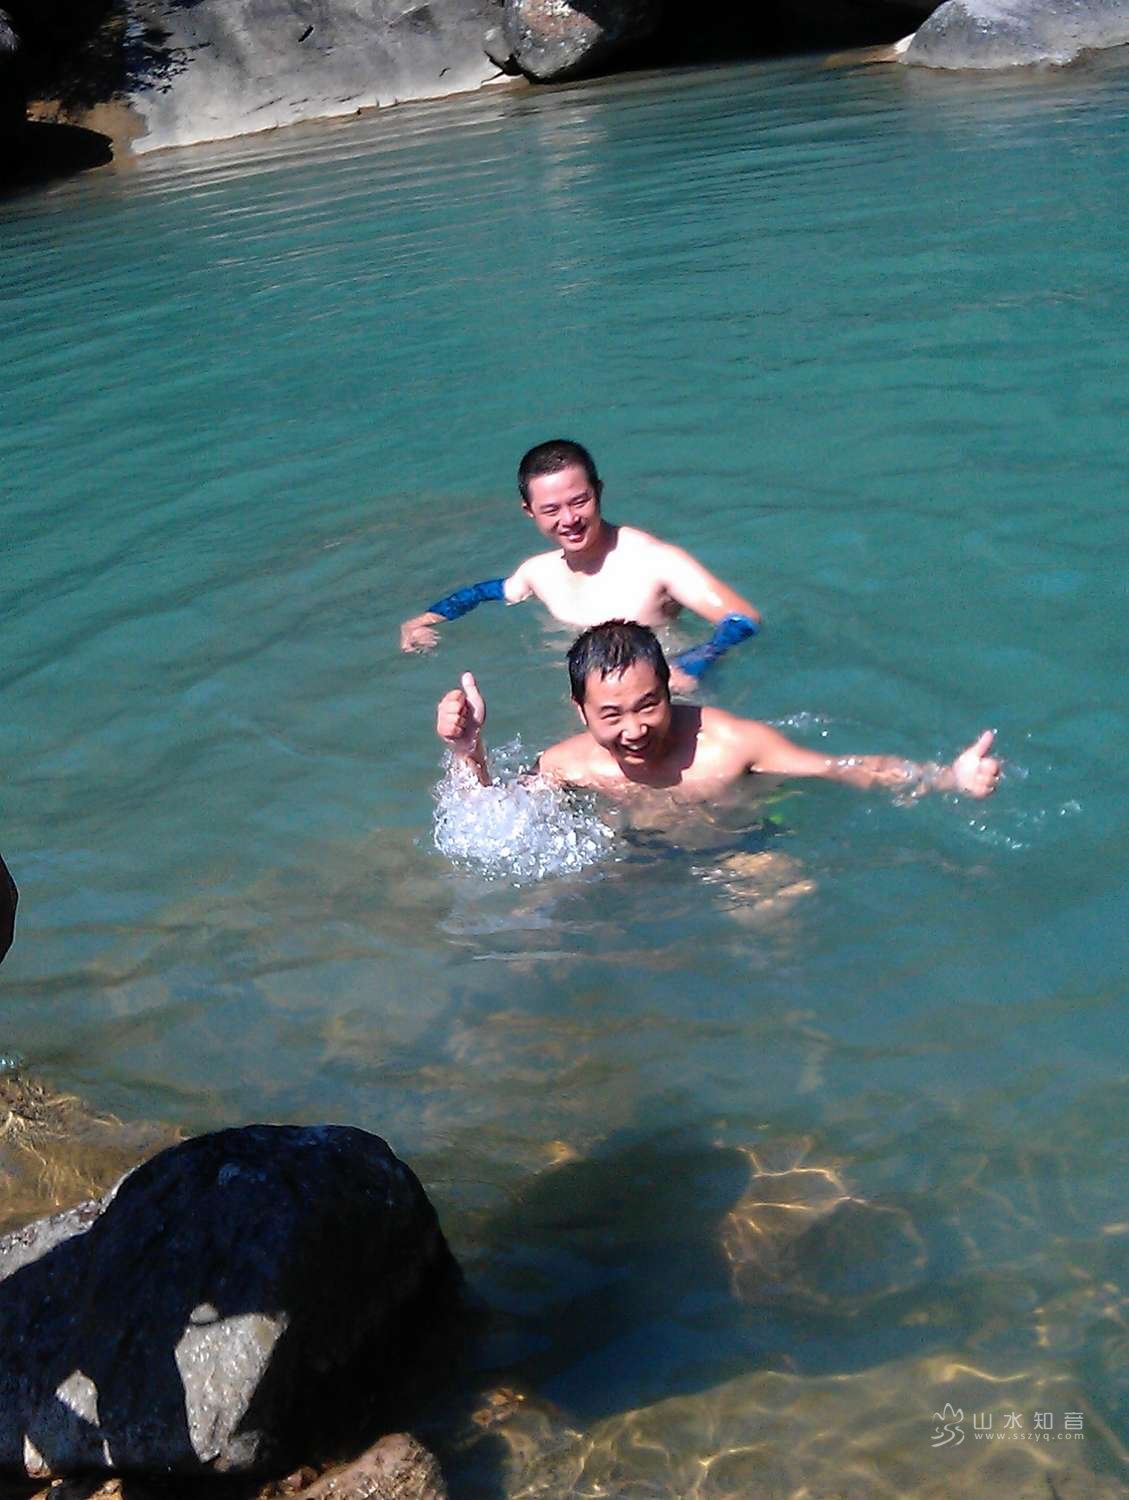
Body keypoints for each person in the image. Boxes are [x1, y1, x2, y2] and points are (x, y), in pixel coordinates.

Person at [435, 620, 1001, 802]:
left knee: (771, 908)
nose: (634, 729)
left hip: (737, 847)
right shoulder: (566, 765)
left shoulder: (733, 745)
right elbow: (488, 820)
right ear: (580, 711)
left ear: (670, 690)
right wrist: (467, 749)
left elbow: (841, 768)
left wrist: (945, 778)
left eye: (649, 705)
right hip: (639, 860)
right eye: (612, 715)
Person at [400, 439, 762, 693]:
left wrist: (693, 661)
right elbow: (484, 592)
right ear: (530, 512)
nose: (569, 519)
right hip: (593, 707)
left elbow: (742, 620)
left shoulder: (654, 561)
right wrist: (426, 619)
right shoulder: (538, 573)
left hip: (666, 702)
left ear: (598, 491)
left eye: (579, 501)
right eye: (551, 510)